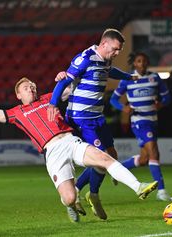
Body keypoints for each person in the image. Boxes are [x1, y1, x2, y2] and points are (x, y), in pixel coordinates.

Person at [0, 77, 158, 223]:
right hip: (52, 153)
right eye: (26, 88)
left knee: (103, 158)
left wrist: (67, 76)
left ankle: (138, 186)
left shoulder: (50, 98)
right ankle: (71, 203)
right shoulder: (16, 113)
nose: (31, 88)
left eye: (32, 86)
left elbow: (74, 86)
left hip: (70, 141)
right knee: (69, 198)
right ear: (18, 94)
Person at [47, 28, 137, 220]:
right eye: (115, 49)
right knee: (102, 159)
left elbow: (109, 71)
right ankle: (92, 195)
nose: (117, 53)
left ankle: (81, 189)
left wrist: (129, 77)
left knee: (112, 155)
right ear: (104, 44)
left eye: (119, 50)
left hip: (97, 116)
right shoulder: (85, 57)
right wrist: (53, 104)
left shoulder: (105, 59)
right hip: (81, 117)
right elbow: (64, 82)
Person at [110, 52, 172, 201]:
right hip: (139, 121)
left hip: (152, 120)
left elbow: (167, 97)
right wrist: (123, 108)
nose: (143, 63)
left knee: (145, 158)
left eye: (145, 61)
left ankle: (118, 170)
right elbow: (113, 99)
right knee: (154, 152)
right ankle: (162, 191)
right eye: (139, 61)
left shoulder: (155, 78)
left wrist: (162, 103)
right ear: (134, 64)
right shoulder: (127, 80)